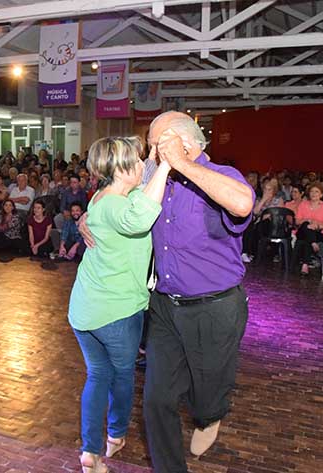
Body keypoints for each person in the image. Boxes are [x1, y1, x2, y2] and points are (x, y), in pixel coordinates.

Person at [80, 112, 255, 473]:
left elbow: (242, 204)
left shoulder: (220, 175)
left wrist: (181, 163)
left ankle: (210, 415)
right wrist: (87, 217)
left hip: (215, 308)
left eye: (156, 147)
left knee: (205, 399)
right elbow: (110, 195)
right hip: (164, 307)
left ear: (186, 144)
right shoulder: (153, 178)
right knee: (156, 401)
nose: (147, 157)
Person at [68, 137, 169, 473]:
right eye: (139, 160)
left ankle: (89, 452)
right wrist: (168, 165)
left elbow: (143, 189)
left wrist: (156, 158)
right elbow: (141, 217)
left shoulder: (104, 195)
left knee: (97, 375)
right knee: (121, 376)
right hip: (116, 312)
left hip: (85, 309)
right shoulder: (119, 206)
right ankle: (116, 434)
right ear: (126, 168)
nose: (145, 164)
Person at [294, 182, 323, 276]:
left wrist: (316, 225)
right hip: (302, 232)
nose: (313, 193)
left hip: (320, 233)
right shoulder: (303, 204)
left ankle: (305, 264)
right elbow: (297, 222)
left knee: (308, 234)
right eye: (312, 191)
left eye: (317, 192)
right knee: (305, 224)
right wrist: (308, 221)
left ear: (321, 194)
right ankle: (313, 242)